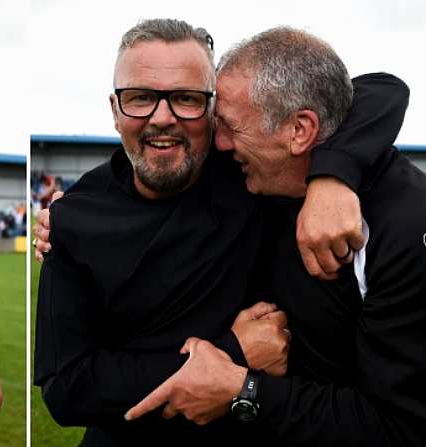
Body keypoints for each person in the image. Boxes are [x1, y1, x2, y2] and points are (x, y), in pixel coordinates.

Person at [32, 19, 403, 445]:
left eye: (186, 99)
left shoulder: (248, 170)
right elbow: (69, 387)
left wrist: (332, 178)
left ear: (213, 109)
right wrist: (232, 354)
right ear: (114, 110)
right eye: (141, 98)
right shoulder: (74, 219)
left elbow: (381, 91)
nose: (163, 118)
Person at [124, 27, 425, 446]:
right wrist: (73, 213)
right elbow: (381, 89)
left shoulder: (404, 233)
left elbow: (399, 428)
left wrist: (245, 391)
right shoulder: (273, 174)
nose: (220, 144)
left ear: (299, 132)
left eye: (229, 126)